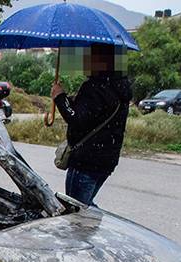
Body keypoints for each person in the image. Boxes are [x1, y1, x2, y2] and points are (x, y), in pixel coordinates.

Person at [50, 43, 132, 206]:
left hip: (86, 161)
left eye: (89, 57)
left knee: (77, 211)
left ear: (102, 60)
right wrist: (72, 99)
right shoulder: (120, 87)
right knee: (85, 206)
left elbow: (76, 118)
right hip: (106, 160)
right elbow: (93, 115)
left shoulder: (95, 87)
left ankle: (102, 229)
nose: (84, 61)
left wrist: (59, 97)